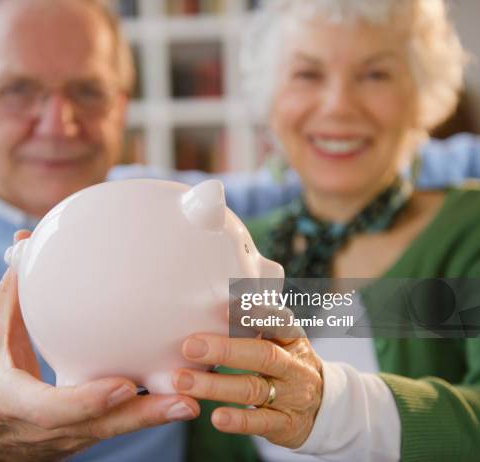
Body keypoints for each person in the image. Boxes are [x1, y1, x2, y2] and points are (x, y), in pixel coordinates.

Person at [0, 0, 479, 460]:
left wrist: (339, 404)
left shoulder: (210, 231)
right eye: (306, 75)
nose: (58, 122)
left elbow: (371, 248)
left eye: (377, 74)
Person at [166, 1, 480, 461]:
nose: (338, 105)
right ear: (271, 100)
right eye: (307, 75)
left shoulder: (467, 230)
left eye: (375, 75)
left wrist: (330, 408)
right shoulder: (227, 246)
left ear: (423, 93)